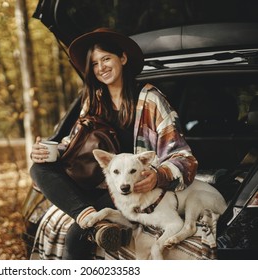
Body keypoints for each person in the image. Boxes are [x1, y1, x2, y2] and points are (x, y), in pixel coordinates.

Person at [29, 27, 198, 259]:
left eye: (106, 59)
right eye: (95, 64)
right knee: (38, 168)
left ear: (123, 58)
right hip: (90, 182)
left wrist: (158, 176)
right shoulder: (93, 100)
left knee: (75, 237)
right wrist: (49, 151)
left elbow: (183, 158)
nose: (101, 68)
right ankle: (85, 213)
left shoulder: (151, 99)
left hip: (125, 189)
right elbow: (74, 144)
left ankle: (90, 220)